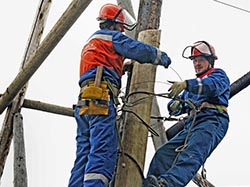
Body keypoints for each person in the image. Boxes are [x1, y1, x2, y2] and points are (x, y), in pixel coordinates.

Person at [68, 3, 172, 187]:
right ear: (114, 24)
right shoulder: (112, 38)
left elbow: (100, 66)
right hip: (100, 98)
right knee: (103, 149)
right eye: (121, 27)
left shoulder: (93, 42)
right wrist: (158, 55)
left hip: (85, 101)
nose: (122, 31)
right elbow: (137, 49)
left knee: (84, 153)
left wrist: (120, 69)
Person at [143, 41, 230, 187]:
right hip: (192, 125)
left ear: (210, 61)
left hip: (212, 120)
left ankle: (167, 184)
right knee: (164, 154)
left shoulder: (217, 75)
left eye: (201, 60)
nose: (197, 64)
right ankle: (151, 184)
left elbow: (212, 87)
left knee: (191, 155)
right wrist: (175, 105)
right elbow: (175, 105)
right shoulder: (191, 87)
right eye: (195, 61)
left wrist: (187, 84)